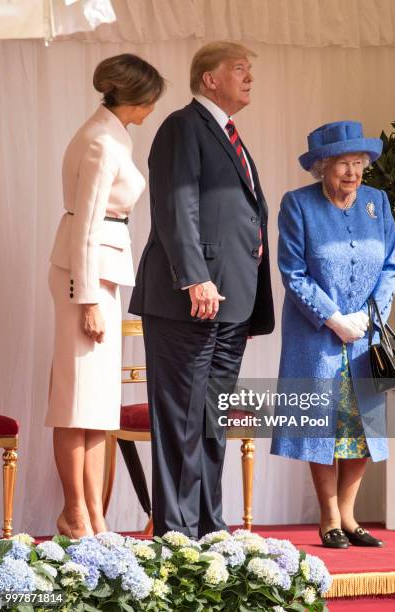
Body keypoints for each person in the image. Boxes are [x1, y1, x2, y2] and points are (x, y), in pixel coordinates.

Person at [129, 41, 274, 538]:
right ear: (209, 79)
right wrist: (196, 277)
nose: (249, 76)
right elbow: (176, 206)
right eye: (239, 68)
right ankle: (177, 534)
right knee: (182, 421)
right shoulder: (182, 127)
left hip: (231, 304)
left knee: (212, 422)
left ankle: (210, 528)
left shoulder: (229, 134)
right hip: (188, 298)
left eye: (249, 69)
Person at [45, 54, 165, 538]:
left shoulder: (114, 133)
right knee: (75, 403)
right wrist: (88, 297)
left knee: (96, 404)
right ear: (138, 96)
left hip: (101, 274)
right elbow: (86, 225)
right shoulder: (100, 139)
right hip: (86, 276)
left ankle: (95, 514)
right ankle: (74, 513)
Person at [271, 121, 395, 548]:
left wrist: (371, 316)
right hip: (316, 335)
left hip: (366, 335)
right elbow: (293, 271)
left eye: (359, 163)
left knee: (361, 426)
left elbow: (391, 266)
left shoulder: (377, 203)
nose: (352, 172)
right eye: (343, 163)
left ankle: (349, 515)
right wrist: (333, 318)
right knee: (320, 425)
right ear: (321, 167)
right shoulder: (298, 205)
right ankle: (328, 516)